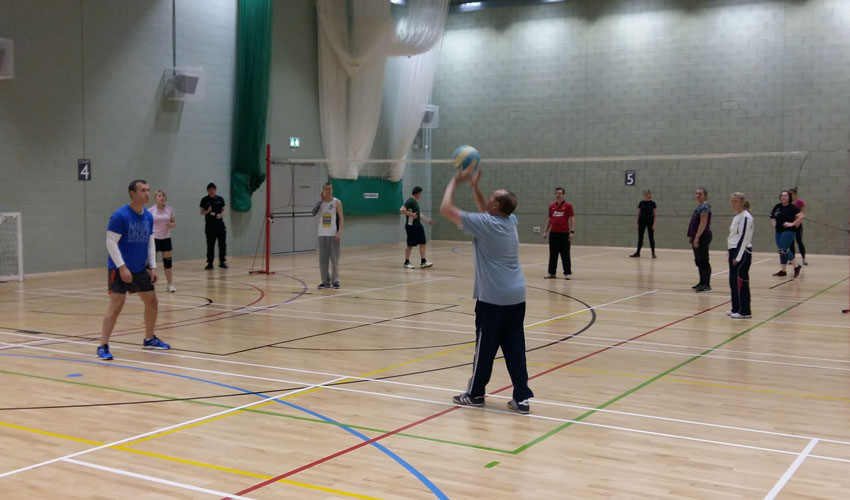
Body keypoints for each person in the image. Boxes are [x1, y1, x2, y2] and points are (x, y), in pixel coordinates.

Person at [440, 168, 534, 414]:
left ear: (496, 205)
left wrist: (455, 181)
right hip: (516, 296)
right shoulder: (509, 220)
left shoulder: (486, 224)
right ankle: (522, 398)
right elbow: (486, 210)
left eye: (491, 197)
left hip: (493, 299)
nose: (488, 200)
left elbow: (446, 210)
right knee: (515, 348)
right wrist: (475, 187)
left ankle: (475, 394)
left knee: (485, 349)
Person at [98, 180, 170, 360]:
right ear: (132, 193)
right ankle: (103, 345)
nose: (147, 194)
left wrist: (152, 267)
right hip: (119, 267)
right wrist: (122, 267)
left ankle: (149, 338)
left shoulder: (148, 216)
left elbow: (150, 242)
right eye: (143, 190)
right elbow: (110, 242)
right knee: (117, 304)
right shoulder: (120, 216)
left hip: (139, 268)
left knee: (152, 301)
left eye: (148, 190)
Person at [311, 182, 344, 289]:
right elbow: (313, 212)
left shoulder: (336, 202)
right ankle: (325, 281)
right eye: (326, 189)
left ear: (332, 190)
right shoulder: (320, 203)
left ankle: (335, 281)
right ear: (323, 190)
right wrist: (320, 200)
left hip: (333, 234)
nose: (328, 191)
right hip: (322, 233)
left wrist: (339, 232)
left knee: (334, 259)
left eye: (330, 189)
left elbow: (341, 218)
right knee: (323, 259)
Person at [727, 193, 754, 319]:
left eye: (736, 201)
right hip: (733, 250)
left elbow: (744, 237)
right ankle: (736, 307)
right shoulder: (736, 217)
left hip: (742, 252)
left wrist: (737, 256)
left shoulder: (746, 217)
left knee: (741, 281)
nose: (733, 203)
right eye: (732, 201)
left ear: (742, 202)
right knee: (733, 281)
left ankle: (745, 310)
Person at [770, 190, 804, 278]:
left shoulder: (792, 207)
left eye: (785, 196)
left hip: (789, 231)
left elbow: (802, 215)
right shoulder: (777, 206)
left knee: (783, 249)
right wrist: (774, 224)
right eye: (782, 196)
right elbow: (772, 216)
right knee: (781, 251)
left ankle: (797, 266)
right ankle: (783, 270)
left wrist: (792, 224)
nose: (783, 197)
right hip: (778, 231)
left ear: (789, 197)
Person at [542, 187, 574, 279]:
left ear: (563, 194)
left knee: (565, 254)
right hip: (553, 234)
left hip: (564, 234)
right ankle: (551, 273)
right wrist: (545, 231)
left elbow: (572, 219)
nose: (557, 195)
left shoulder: (568, 206)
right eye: (556, 193)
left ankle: (567, 273)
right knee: (553, 254)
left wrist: (572, 231)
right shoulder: (552, 206)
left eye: (559, 193)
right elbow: (549, 219)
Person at [149, 190, 177, 293]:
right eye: (159, 195)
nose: (162, 197)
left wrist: (171, 225)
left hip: (166, 238)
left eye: (163, 195)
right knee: (152, 263)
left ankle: (170, 284)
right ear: (155, 198)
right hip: (154, 239)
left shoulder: (170, 209)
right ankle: (150, 284)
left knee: (168, 263)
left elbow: (174, 223)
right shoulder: (150, 211)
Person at [399, 186, 434, 269]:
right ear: (417, 193)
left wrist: (427, 220)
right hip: (411, 226)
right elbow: (402, 210)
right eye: (420, 193)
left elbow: (418, 214)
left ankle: (423, 261)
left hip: (418, 225)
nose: (421, 195)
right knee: (410, 244)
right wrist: (411, 215)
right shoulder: (410, 201)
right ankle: (406, 262)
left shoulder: (415, 202)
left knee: (423, 242)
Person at [687, 187, 712, 292]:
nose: (697, 196)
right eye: (696, 194)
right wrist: (691, 236)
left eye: (700, 194)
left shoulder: (705, 206)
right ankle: (701, 282)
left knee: (703, 260)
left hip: (703, 237)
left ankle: (706, 284)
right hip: (696, 237)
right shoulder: (699, 206)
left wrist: (697, 237)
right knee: (699, 261)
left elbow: (703, 223)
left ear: (705, 195)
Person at [200, 182, 227, 269]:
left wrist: (221, 214)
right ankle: (210, 263)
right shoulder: (204, 200)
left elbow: (224, 210)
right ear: (208, 191)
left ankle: (222, 262)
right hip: (210, 226)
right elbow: (202, 212)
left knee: (222, 244)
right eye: (210, 190)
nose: (212, 191)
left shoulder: (220, 199)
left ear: (215, 190)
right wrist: (208, 211)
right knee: (210, 244)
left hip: (220, 225)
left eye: (213, 190)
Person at [630, 189, 657, 258]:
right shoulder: (641, 203)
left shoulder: (653, 203)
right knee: (640, 237)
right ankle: (638, 253)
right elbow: (639, 213)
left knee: (651, 237)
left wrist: (654, 223)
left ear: (650, 195)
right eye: (645, 193)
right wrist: (637, 223)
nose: (646, 195)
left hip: (650, 221)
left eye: (647, 193)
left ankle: (653, 253)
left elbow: (654, 214)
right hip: (642, 221)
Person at [788, 188, 808, 265]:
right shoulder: (788, 203)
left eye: (791, 194)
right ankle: (793, 259)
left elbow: (803, 213)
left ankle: (804, 258)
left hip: (798, 225)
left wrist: (798, 222)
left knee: (799, 241)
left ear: (795, 194)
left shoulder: (800, 202)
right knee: (791, 243)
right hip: (790, 225)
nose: (790, 195)